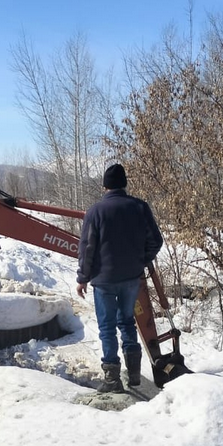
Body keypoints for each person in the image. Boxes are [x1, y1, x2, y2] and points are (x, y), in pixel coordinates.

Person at [76, 162, 163, 393]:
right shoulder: (140, 207)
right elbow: (156, 241)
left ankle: (113, 380)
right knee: (127, 322)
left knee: (107, 327)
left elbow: (87, 249)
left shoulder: (95, 212)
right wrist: (141, 260)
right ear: (123, 184)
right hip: (131, 279)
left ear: (105, 186)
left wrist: (82, 277)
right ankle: (134, 375)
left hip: (104, 281)